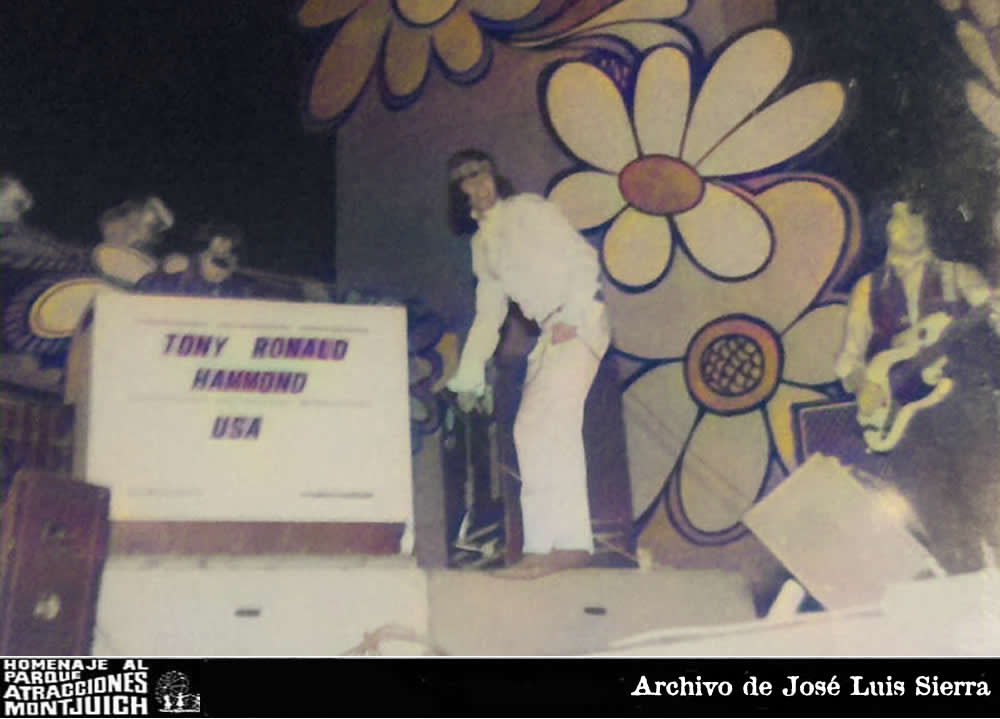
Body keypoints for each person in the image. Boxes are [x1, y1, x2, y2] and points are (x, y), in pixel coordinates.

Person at [444, 148, 610, 579]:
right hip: (549, 332)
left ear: (494, 176)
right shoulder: (482, 244)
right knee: (528, 428)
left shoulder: (529, 211)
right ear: (458, 192)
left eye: (481, 173)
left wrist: (572, 315)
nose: (477, 184)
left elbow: (583, 259)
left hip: (578, 318)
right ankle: (541, 547)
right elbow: (489, 313)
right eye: (465, 179)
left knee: (553, 422)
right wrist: (469, 371)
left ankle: (570, 544)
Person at [835, 195, 1000, 574]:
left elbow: (991, 318)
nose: (906, 228)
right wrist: (865, 386)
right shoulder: (867, 288)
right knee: (943, 525)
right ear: (887, 229)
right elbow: (850, 360)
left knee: (992, 509)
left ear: (927, 229)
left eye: (915, 220)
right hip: (910, 433)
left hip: (969, 417)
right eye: (898, 220)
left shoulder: (959, 276)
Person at [136, 222, 255, 298]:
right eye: (219, 238)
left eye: (229, 240)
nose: (223, 243)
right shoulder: (184, 263)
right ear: (209, 240)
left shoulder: (237, 280)